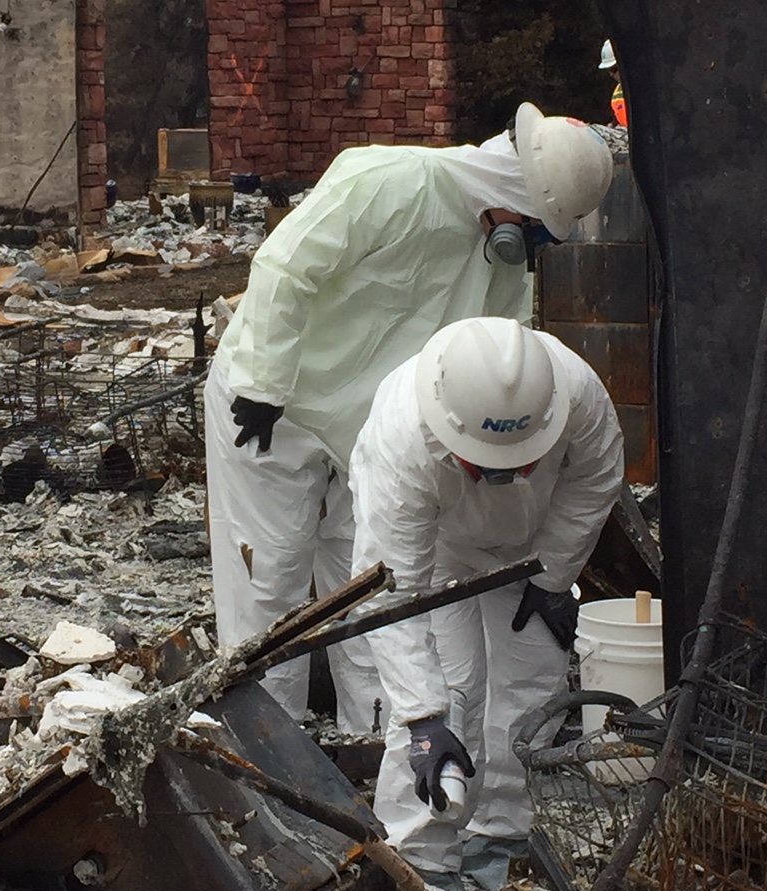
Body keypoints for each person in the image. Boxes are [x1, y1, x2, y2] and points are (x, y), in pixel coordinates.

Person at [206, 105, 613, 733]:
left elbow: (492, 358)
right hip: (272, 411)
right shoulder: (387, 181)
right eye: (534, 234)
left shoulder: (500, 263)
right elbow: (287, 265)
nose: (530, 250)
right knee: (268, 588)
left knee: (370, 590)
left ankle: (376, 749)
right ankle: (271, 767)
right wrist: (262, 383)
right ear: (515, 201)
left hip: (366, 431)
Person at [349, 317, 623, 891]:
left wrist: (554, 573)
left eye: (517, 460)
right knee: (454, 692)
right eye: (487, 464)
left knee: (533, 681)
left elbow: (595, 479)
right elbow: (392, 593)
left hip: (532, 548)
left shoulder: (574, 390)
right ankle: (418, 855)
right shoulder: (401, 440)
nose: (502, 475)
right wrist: (422, 717)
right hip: (438, 551)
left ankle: (504, 832)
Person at [601, 39, 627, 128]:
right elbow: (615, 122)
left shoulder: (651, 90)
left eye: (614, 69)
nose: (612, 74)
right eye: (609, 70)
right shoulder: (617, 94)